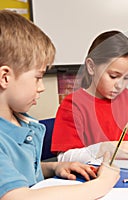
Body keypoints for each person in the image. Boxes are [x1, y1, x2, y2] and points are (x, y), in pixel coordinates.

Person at [0, 10, 119, 200]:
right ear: (5, 77)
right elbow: (17, 196)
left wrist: (54, 167)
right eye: (38, 77)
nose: (41, 87)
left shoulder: (21, 122)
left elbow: (17, 172)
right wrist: (100, 185)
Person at [51, 30, 128, 163]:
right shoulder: (73, 105)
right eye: (113, 76)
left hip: (126, 172)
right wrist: (107, 148)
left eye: (127, 77)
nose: (120, 85)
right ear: (91, 67)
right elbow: (64, 158)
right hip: (91, 179)